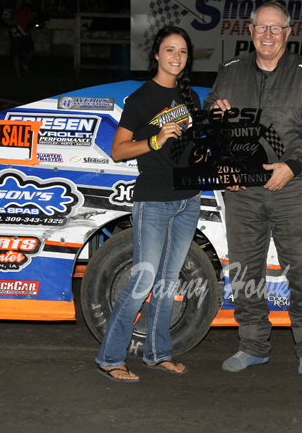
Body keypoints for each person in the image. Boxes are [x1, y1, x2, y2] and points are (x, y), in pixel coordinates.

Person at [204, 1, 302, 376]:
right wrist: (215, 117)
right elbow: (211, 116)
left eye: (276, 28)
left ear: (288, 33)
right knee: (245, 270)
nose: (268, 35)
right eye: (261, 27)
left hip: (292, 188)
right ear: (249, 31)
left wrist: (292, 166)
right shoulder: (229, 72)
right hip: (242, 190)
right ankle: (253, 345)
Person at [95, 26, 201, 382]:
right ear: (156, 55)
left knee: (168, 283)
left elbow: (196, 151)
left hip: (189, 200)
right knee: (142, 283)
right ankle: (110, 358)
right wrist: (154, 140)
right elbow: (117, 150)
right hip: (154, 201)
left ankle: (157, 354)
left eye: (183, 52)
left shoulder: (191, 98)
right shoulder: (140, 99)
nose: (176, 57)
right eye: (170, 50)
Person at [2, 0, 35, 77]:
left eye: (21, 0)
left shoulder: (26, 9)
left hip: (25, 32)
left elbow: (31, 20)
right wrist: (16, 23)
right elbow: (5, 20)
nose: (19, 1)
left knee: (31, 51)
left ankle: (24, 64)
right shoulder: (10, 9)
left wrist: (26, 20)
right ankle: (18, 72)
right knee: (16, 54)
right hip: (15, 33)